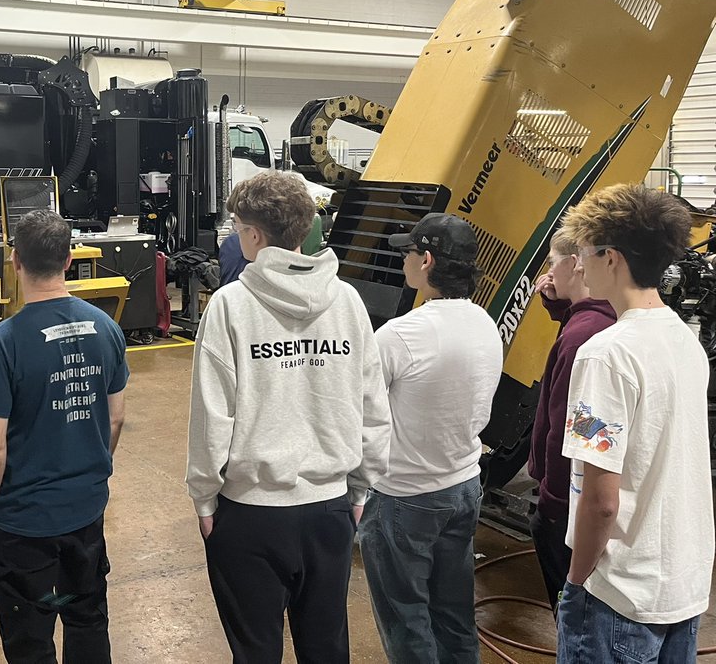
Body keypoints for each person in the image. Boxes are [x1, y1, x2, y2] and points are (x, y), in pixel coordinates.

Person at [186, 171, 391, 664]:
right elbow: (372, 405)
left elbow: (213, 416)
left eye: (237, 227)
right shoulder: (346, 301)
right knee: (326, 648)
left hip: (250, 513)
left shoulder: (231, 306)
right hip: (329, 509)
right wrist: (361, 488)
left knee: (255, 651)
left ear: (255, 235)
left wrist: (204, 499)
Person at [556, 184, 713, 663]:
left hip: (618, 592)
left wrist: (577, 578)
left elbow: (601, 501)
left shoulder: (605, 354)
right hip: (682, 586)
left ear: (612, 257)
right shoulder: (683, 339)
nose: (577, 265)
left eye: (583, 253)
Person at [0, 208, 129, 664]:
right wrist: (92, 474)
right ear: (69, 259)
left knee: (30, 638)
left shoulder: (5, 342)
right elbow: (115, 420)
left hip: (24, 522)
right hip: (85, 512)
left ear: (15, 260)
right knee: (87, 618)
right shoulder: (107, 328)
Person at [359, 212, 503, 664]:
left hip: (405, 495)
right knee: (454, 611)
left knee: (407, 618)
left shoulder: (401, 334)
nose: (403, 259)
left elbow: (358, 412)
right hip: (463, 486)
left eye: (408, 252)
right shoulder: (485, 322)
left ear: (426, 260)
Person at [527, 233, 615, 608]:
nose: (547, 272)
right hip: (572, 502)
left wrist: (551, 501)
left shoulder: (582, 338)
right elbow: (586, 314)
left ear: (575, 262)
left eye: (551, 262)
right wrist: (555, 302)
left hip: (565, 507)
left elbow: (565, 426)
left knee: (570, 610)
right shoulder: (597, 318)